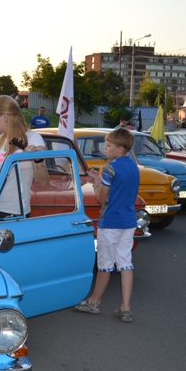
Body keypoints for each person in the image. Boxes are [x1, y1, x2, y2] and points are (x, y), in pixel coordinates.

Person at [73, 128, 140, 323]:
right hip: (128, 221)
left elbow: (101, 198)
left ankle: (94, 302)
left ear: (119, 149)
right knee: (125, 262)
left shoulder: (110, 168)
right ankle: (125, 307)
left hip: (110, 221)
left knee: (105, 265)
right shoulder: (133, 166)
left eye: (109, 145)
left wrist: (96, 184)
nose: (105, 148)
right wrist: (99, 180)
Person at [0, 96, 49, 234]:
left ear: (5, 116)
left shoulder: (33, 139)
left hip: (14, 212)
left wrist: (34, 158)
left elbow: (42, 182)